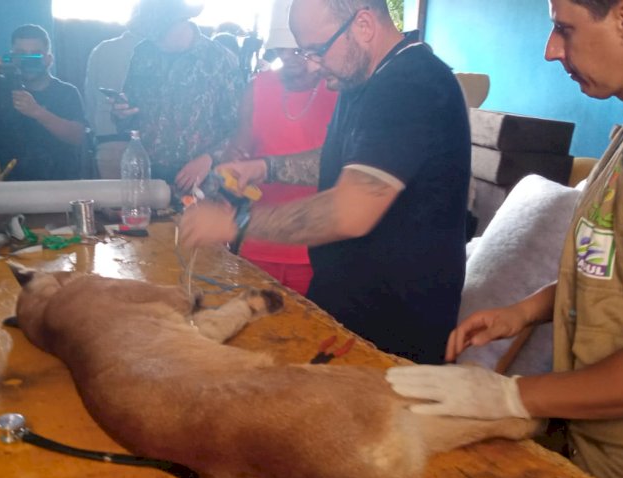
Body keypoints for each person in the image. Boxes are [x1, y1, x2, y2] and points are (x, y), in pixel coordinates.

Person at [386, 1, 623, 478]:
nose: (551, 50)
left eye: (564, 29)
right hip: (602, 459)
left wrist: (513, 399)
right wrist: (524, 311)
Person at [178, 0, 471, 363]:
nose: (314, 66)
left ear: (363, 25)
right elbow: (343, 162)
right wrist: (266, 167)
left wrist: (235, 223)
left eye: (317, 51)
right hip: (346, 311)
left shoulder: (411, 85)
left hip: (393, 333)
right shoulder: (363, 79)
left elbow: (349, 211)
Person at [225, 0, 338, 295]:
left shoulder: (339, 89)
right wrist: (232, 163)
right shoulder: (258, 86)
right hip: (259, 244)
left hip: (319, 248)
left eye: (298, 52)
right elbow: (239, 146)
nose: (288, 60)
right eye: (280, 53)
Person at [112, 0, 245, 195]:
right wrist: (121, 114)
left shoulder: (218, 60)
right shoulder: (143, 54)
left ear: (182, 20)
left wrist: (209, 158)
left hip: (202, 184)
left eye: (159, 32)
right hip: (150, 180)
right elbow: (131, 116)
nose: (154, 39)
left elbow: (241, 128)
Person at [0, 24, 88, 181]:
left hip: (62, 185)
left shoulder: (66, 92)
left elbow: (77, 136)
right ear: (12, 57)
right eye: (21, 54)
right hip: (14, 187)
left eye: (35, 55)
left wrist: (38, 113)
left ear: (49, 60)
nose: (28, 61)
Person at [85, 24, 141, 179]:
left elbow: (90, 102)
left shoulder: (102, 50)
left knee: (115, 201)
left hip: (109, 143)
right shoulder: (165, 51)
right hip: (156, 145)